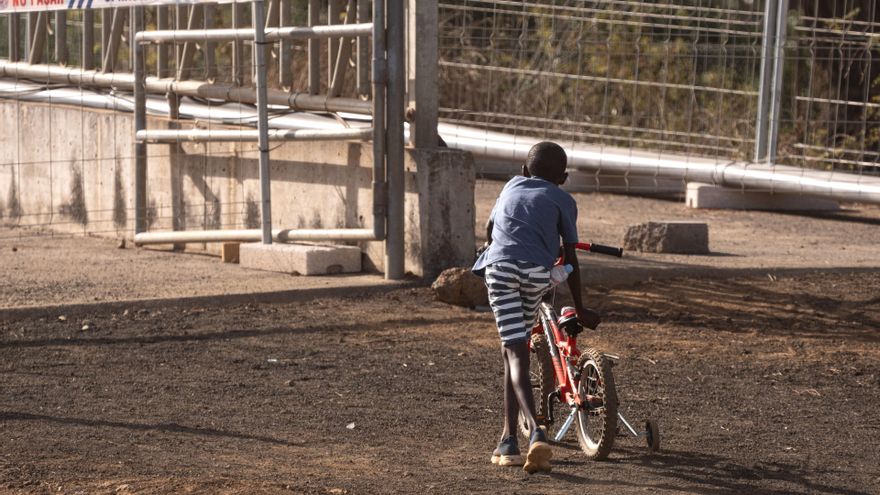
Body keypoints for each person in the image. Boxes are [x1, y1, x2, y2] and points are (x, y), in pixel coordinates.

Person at [472, 141, 589, 474]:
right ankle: (508, 440)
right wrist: (580, 308)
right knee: (512, 348)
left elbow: (490, 230)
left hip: (502, 270)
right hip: (537, 275)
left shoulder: (511, 185)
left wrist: (491, 247)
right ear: (563, 178)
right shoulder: (565, 200)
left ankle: (536, 431)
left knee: (516, 353)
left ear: (524, 170)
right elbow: (571, 257)